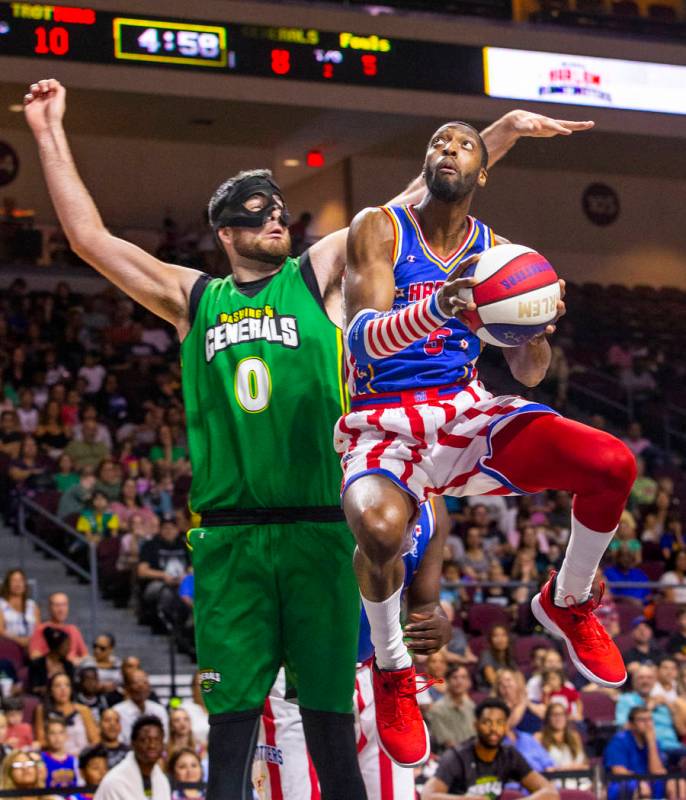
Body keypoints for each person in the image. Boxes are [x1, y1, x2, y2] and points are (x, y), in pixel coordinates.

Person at [24, 75, 591, 800]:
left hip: (323, 528)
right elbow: (88, 238)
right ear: (225, 233)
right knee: (231, 730)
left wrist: (499, 136)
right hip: (230, 538)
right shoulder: (193, 298)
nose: (275, 220)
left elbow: (421, 197)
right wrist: (48, 130)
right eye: (255, 216)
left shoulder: (318, 275)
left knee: (327, 722)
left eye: (278, 211)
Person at [337, 118, 632, 766]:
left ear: (482, 170)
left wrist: (535, 331)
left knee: (613, 464)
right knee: (382, 533)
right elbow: (360, 338)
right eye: (439, 140)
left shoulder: (499, 255)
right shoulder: (379, 228)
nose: (449, 148)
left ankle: (569, 599)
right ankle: (392, 669)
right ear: (426, 161)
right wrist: (440, 307)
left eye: (465, 143)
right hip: (384, 418)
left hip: (465, 414)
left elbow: (528, 373)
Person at [256, 499, 451, 800]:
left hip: (377, 679)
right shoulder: (321, 480)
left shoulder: (433, 505)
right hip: (297, 676)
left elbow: (425, 602)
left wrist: (436, 621)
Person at [421, 698, 559, 800]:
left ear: (506, 726)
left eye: (500, 723)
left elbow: (551, 793)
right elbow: (427, 796)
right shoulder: (457, 756)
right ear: (476, 725)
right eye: (487, 722)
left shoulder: (509, 755)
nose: (494, 729)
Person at [615, 665, 686, 766]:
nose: (645, 681)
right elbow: (623, 727)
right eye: (641, 678)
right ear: (634, 682)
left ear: (654, 682)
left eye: (649, 678)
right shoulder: (626, 700)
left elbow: (681, 730)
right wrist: (648, 707)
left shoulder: (661, 701)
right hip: (649, 748)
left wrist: (671, 708)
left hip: (675, 746)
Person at [94, 715, 170, 800]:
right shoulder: (114, 782)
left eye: (157, 740)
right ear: (133, 743)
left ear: (163, 744)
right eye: (145, 740)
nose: (152, 745)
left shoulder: (162, 781)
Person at [605, 707, 667, 800]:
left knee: (676, 784)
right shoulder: (619, 741)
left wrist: (651, 743)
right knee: (641, 788)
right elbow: (618, 771)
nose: (648, 724)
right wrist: (640, 781)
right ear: (631, 724)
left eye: (650, 719)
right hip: (623, 784)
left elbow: (656, 772)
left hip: (647, 781)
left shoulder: (654, 742)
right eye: (642, 720)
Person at [35, 672, 99, 754]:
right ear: (51, 690)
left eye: (67, 685)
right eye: (58, 686)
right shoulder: (42, 710)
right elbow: (41, 741)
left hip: (82, 758)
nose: (63, 689)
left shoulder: (83, 710)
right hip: (55, 758)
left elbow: (95, 740)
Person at [535, 702, 590, 790]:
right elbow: (537, 767)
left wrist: (575, 767)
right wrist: (562, 768)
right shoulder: (539, 737)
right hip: (554, 783)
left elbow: (585, 765)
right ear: (548, 718)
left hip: (580, 781)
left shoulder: (575, 736)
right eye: (554, 715)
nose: (558, 718)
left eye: (562, 714)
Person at [29, 592, 89, 664]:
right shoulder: (41, 630)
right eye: (57, 605)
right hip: (52, 670)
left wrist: (78, 661)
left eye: (64, 605)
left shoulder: (73, 629)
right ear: (50, 608)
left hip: (75, 669)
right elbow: (34, 657)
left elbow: (85, 656)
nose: (61, 609)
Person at [112, 668, 169, 744]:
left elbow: (165, 738)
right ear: (127, 688)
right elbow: (118, 741)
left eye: (145, 683)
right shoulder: (117, 711)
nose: (141, 686)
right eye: (136, 683)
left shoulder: (159, 709)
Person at [426, 665, 475, 752]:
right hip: (449, 757)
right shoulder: (437, 709)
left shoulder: (472, 707)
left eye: (463, 677)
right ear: (447, 681)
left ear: (468, 682)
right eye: (455, 677)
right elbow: (446, 742)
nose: (459, 681)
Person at [0, 568, 40, 649]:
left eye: (21, 580)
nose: (18, 584)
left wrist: (31, 641)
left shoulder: (32, 605)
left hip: (31, 647)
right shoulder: (1, 604)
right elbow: (1, 631)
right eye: (14, 580)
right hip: (8, 645)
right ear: (8, 584)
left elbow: (38, 630)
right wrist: (19, 640)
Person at [27, 627, 75, 696]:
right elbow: (33, 688)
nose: (69, 648)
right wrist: (53, 690)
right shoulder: (37, 664)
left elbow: (72, 688)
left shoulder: (68, 665)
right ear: (57, 646)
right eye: (66, 645)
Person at [477, 624, 517, 690]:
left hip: (507, 689)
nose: (500, 639)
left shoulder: (509, 654)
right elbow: (492, 680)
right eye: (495, 636)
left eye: (503, 635)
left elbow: (517, 675)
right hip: (490, 691)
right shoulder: (486, 655)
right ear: (490, 640)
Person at [41, 717, 78, 789]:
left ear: (66, 736)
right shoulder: (41, 760)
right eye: (52, 733)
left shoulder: (74, 761)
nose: (57, 737)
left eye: (61, 732)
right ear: (46, 736)